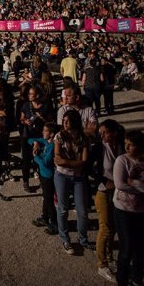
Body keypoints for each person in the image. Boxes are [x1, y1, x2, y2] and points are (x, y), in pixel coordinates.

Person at [113, 130, 144, 286]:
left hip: (142, 211)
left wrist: (136, 183)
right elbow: (120, 184)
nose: (128, 147)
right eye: (126, 143)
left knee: (142, 249)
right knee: (126, 250)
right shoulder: (122, 160)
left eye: (132, 144)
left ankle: (137, 281)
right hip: (123, 210)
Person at [91, 118, 126, 284]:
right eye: (101, 133)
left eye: (105, 132)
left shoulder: (121, 145)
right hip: (103, 192)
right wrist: (104, 181)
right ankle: (102, 264)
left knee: (113, 227)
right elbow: (88, 168)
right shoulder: (99, 148)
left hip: (118, 192)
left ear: (115, 132)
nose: (103, 135)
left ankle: (110, 256)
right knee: (104, 227)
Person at [54, 109, 91, 254]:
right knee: (63, 209)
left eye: (68, 121)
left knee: (82, 211)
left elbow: (84, 161)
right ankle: (65, 239)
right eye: (64, 121)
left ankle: (83, 239)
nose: (65, 123)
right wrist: (75, 162)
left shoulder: (83, 138)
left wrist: (66, 161)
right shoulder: (59, 136)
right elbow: (58, 159)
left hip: (78, 177)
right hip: (62, 176)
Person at [31, 122, 59, 235]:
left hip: (48, 176)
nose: (43, 132)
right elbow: (30, 139)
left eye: (45, 131)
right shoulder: (45, 141)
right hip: (44, 175)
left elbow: (45, 163)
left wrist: (35, 156)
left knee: (49, 200)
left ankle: (54, 223)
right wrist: (36, 143)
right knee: (45, 198)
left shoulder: (52, 145)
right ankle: (45, 217)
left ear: (52, 134)